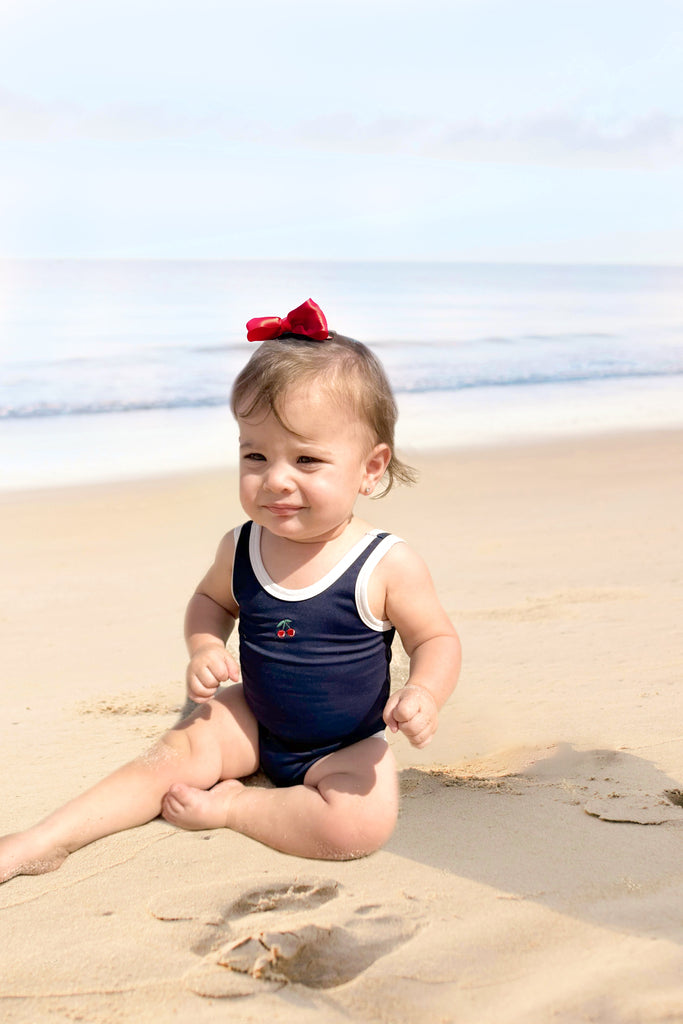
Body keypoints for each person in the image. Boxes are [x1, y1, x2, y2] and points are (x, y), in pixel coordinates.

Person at [0, 299, 460, 880]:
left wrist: (425, 692)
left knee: (358, 826)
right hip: (252, 720)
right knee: (169, 757)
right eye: (255, 455)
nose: (275, 479)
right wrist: (205, 645)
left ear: (370, 468)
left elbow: (436, 638)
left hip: (346, 745)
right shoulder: (241, 546)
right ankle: (43, 838)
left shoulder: (385, 563)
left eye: (308, 459)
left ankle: (237, 805)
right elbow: (210, 603)